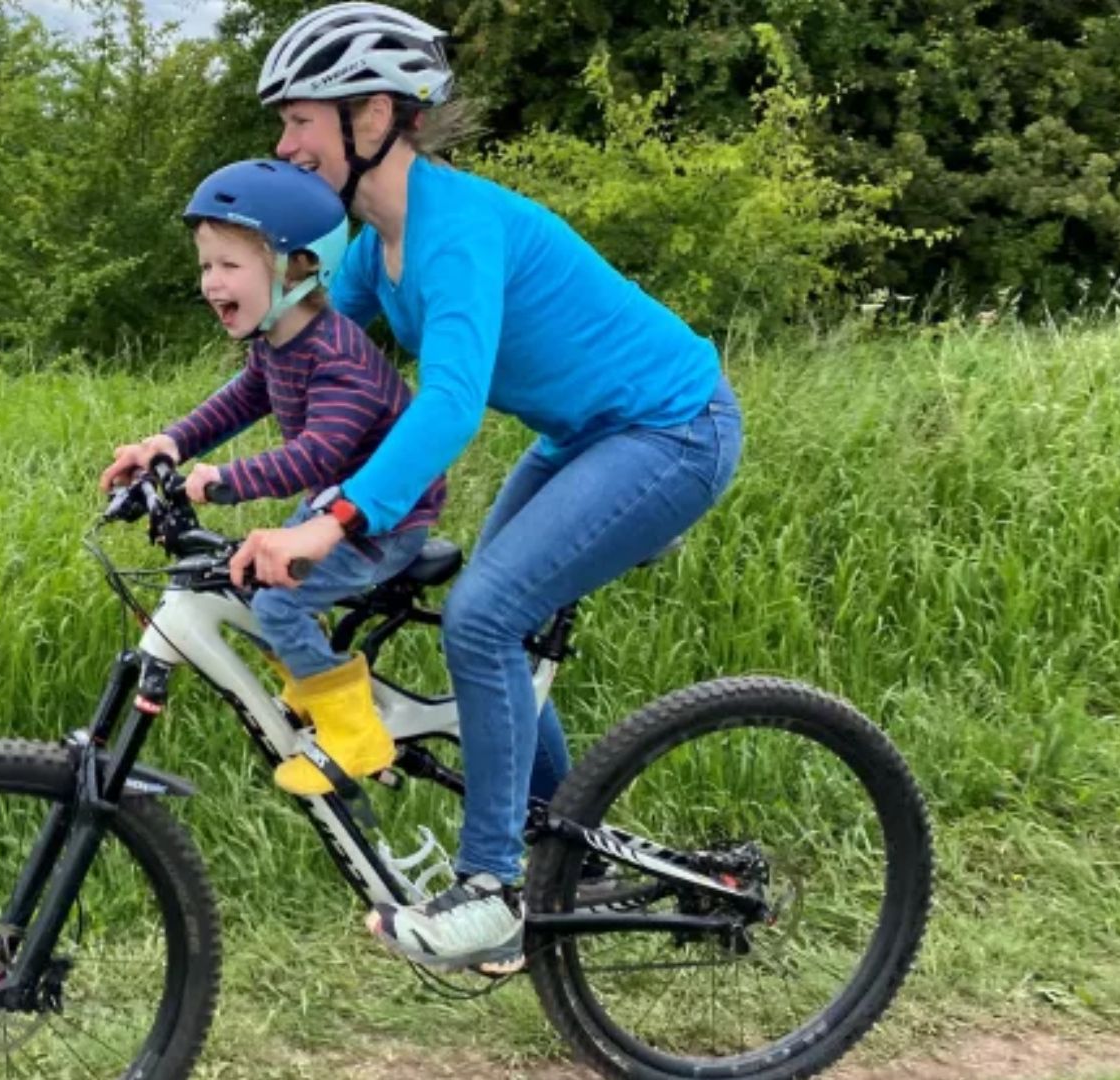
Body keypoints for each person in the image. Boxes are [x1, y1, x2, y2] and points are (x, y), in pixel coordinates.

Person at [228, 2, 745, 972]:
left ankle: (493, 889)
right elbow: (301, 366)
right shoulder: (371, 252)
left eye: (300, 119)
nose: (285, 144)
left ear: (372, 119)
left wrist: (334, 522)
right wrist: (185, 454)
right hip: (585, 439)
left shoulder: (453, 231)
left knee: (482, 618)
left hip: (672, 429)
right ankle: (564, 855)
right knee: (493, 628)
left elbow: (451, 404)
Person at [99, 158, 449, 797]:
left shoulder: (337, 355)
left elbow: (317, 453)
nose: (211, 282)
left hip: (382, 520)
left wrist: (223, 481)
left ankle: (355, 736)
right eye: (206, 265)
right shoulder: (277, 341)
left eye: (230, 265)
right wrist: (168, 444)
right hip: (331, 506)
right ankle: (316, 689)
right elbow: (238, 402)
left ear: (299, 267)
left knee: (279, 605)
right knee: (248, 576)